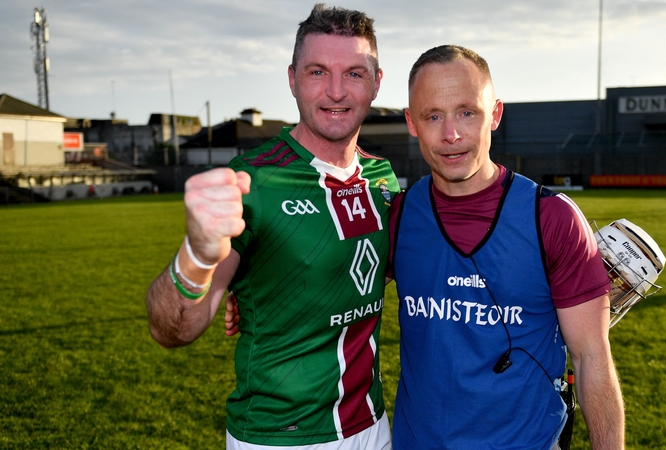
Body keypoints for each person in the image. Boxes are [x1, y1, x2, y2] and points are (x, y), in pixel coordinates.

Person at [145, 4, 399, 449]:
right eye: (318, 72)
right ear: (292, 79)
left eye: (354, 73)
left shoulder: (382, 177)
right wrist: (196, 257)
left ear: (376, 82)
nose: (336, 91)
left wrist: (273, 288)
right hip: (278, 437)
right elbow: (174, 330)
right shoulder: (253, 181)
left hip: (372, 426)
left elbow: (380, 268)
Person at [388, 45, 625, 449]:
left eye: (467, 112)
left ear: (495, 114)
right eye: (433, 116)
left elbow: (591, 358)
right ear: (412, 122)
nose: (451, 134)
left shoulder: (552, 218)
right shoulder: (398, 215)